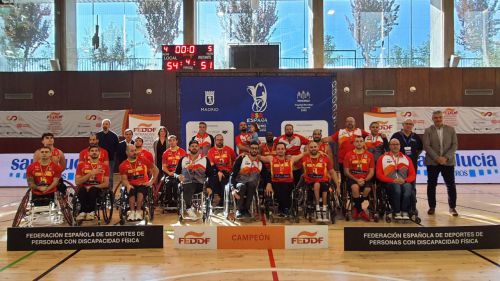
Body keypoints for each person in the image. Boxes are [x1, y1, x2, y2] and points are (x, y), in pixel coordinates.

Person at [423, 110, 459, 216]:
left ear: (442, 118)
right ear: (432, 119)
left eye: (439, 117)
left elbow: (455, 145)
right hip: (432, 163)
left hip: (448, 162)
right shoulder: (428, 130)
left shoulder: (451, 130)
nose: (438, 119)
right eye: (436, 118)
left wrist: (446, 158)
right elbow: (426, 146)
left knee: (451, 185)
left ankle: (452, 208)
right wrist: (437, 158)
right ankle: (432, 207)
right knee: (431, 185)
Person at [260, 142, 306, 216]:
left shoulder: (291, 159)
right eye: (278, 149)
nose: (280, 150)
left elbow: (303, 154)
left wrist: (319, 152)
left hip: (288, 183)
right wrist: (246, 154)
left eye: (282, 149)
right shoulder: (271, 158)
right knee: (278, 188)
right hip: (275, 183)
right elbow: (258, 156)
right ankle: (282, 209)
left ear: (285, 150)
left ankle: (285, 209)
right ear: (276, 150)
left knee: (287, 188)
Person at [376, 139, 416, 220]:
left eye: (397, 144)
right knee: (396, 187)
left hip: (404, 181)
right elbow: (379, 174)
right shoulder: (382, 158)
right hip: (390, 183)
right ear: (389, 146)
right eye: (393, 144)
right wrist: (392, 180)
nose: (395, 146)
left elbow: (413, 175)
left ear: (400, 146)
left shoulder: (407, 158)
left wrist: (405, 180)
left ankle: (405, 211)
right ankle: (396, 211)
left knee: (408, 187)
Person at [175, 140, 215, 219]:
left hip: (199, 185)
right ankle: (189, 208)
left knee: (190, 185)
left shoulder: (204, 159)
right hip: (186, 184)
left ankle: (188, 208)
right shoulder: (183, 159)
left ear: (199, 148)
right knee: (187, 184)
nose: (194, 148)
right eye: (192, 146)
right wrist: (178, 177)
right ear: (189, 148)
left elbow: (211, 174)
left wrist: (209, 186)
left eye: (196, 146)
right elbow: (176, 173)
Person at [322, 117, 369, 183]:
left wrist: (381, 136)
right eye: (348, 121)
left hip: (357, 159)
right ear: (345, 123)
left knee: (356, 176)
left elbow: (371, 136)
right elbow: (329, 138)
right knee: (344, 179)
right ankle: (343, 192)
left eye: (351, 121)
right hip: (343, 159)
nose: (350, 123)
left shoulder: (360, 131)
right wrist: (318, 140)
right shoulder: (340, 132)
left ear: (355, 123)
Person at [119, 144, 159, 221]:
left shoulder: (143, 160)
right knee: (131, 192)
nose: (134, 152)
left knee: (140, 193)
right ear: (127, 152)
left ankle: (138, 211)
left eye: (135, 150)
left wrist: (151, 181)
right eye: (132, 151)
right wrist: (127, 185)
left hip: (142, 183)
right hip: (131, 184)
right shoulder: (123, 165)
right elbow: (124, 179)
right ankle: (132, 212)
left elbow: (156, 170)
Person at [302, 141, 340, 222]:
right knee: (316, 184)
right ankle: (318, 207)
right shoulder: (305, 157)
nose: (313, 148)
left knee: (323, 185)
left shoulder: (325, 158)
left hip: (323, 181)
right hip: (310, 182)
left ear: (318, 148)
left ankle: (324, 208)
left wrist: (338, 186)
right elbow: (294, 159)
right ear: (308, 149)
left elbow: (332, 171)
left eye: (315, 147)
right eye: (311, 147)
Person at [231, 141, 270, 219]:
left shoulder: (260, 163)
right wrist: (232, 188)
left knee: (251, 185)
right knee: (242, 186)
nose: (254, 150)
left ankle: (246, 210)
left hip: (252, 184)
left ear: (258, 150)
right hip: (240, 182)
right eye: (252, 148)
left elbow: (266, 176)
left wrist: (269, 183)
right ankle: (240, 210)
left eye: (256, 148)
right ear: (249, 149)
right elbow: (233, 174)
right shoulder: (241, 159)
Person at [343, 136, 375, 221]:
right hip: (353, 178)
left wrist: (364, 180)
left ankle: (357, 207)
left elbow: (371, 171)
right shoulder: (348, 154)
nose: (359, 143)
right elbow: (346, 171)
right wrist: (357, 180)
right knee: (355, 187)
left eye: (361, 141)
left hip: (366, 178)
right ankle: (361, 210)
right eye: (357, 141)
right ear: (354, 143)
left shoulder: (369, 155)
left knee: (368, 189)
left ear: (364, 143)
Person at [75, 145, 110, 221]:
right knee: (81, 189)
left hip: (97, 189)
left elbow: (106, 184)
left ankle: (91, 211)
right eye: (92, 151)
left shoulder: (105, 166)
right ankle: (83, 211)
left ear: (99, 153)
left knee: (93, 189)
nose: (94, 152)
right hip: (84, 187)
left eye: (96, 151)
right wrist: (90, 173)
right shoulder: (81, 165)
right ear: (88, 153)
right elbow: (77, 181)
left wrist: (94, 186)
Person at [207, 134, 236, 206]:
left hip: (227, 172)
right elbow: (211, 164)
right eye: (218, 140)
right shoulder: (211, 151)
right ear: (215, 141)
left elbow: (235, 161)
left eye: (221, 140)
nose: (219, 141)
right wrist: (218, 172)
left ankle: (221, 202)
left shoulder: (229, 150)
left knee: (224, 183)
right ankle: (216, 199)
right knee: (214, 179)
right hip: (215, 172)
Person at [161, 135, 187, 208]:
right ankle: (169, 201)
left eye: (173, 140)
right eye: (170, 140)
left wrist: (180, 173)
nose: (172, 142)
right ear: (168, 142)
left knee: (176, 184)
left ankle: (177, 201)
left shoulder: (182, 152)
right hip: (169, 174)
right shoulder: (166, 153)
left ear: (176, 141)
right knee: (168, 183)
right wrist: (169, 173)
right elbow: (163, 167)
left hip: (179, 174)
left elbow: (185, 166)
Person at [97, 119, 119, 189]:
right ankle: (100, 191)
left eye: (106, 124)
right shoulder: (97, 135)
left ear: (109, 125)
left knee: (110, 176)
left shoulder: (114, 136)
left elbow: (116, 148)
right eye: (104, 124)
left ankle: (110, 192)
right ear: (102, 125)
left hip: (110, 160)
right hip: (99, 160)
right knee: (99, 175)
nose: (105, 125)